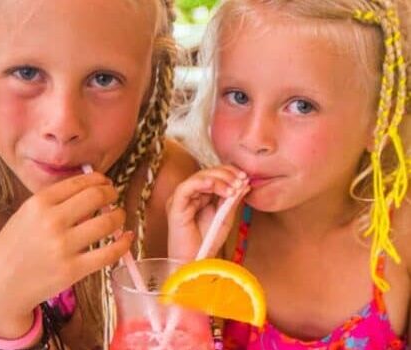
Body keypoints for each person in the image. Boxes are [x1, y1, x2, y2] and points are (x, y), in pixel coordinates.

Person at [0, 0, 199, 349]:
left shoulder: (168, 194)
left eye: (103, 79)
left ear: (149, 85)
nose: (63, 125)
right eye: (27, 73)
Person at [168, 0, 411, 348]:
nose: (254, 139)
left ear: (380, 120)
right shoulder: (218, 230)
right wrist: (188, 264)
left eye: (301, 106)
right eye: (237, 96)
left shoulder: (399, 236)